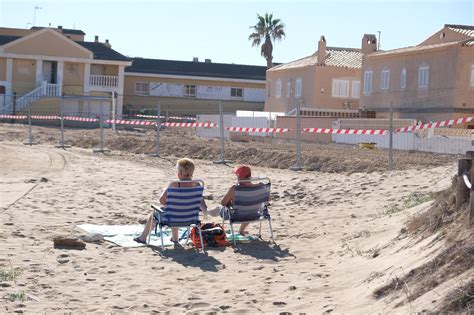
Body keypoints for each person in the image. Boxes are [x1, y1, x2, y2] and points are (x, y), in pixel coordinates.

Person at [133, 158, 207, 244]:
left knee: (157, 213)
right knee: (177, 209)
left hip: (172, 218)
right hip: (191, 219)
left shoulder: (173, 184)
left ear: (180, 173)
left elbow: (162, 201)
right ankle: (175, 238)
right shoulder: (198, 184)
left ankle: (142, 238)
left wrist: (165, 191)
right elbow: (200, 202)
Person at [207, 165, 257, 235]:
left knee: (219, 208)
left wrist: (230, 202)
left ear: (239, 177)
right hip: (254, 214)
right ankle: (241, 230)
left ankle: (207, 211)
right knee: (248, 208)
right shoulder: (259, 187)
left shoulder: (235, 188)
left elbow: (223, 202)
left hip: (236, 216)